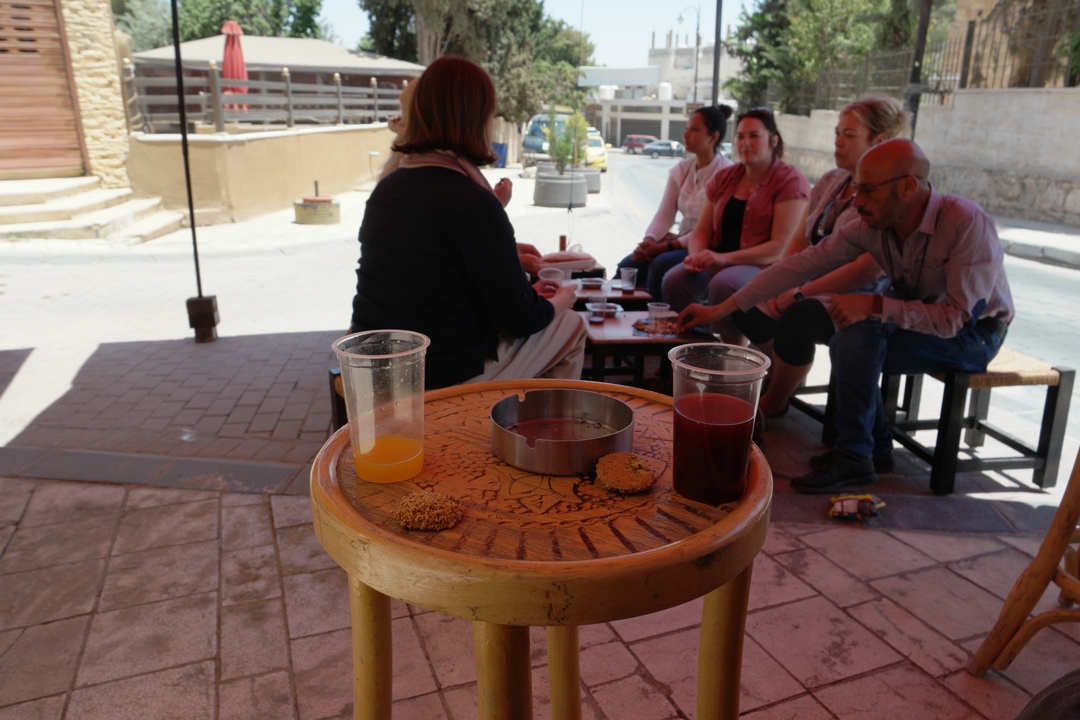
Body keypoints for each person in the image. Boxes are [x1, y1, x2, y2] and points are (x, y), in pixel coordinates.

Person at [677, 139, 1014, 493]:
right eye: (856, 190)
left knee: (855, 339)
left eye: (868, 191)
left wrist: (875, 306)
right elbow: (801, 264)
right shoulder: (873, 225)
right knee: (850, 338)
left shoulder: (965, 223)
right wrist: (720, 309)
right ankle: (872, 451)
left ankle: (856, 455)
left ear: (908, 186)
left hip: (975, 335)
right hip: (912, 321)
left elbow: (955, 319)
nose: (858, 202)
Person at [349, 56, 586, 390]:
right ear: (478, 118)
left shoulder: (387, 189)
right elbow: (520, 320)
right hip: (438, 377)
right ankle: (525, 433)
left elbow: (435, 272)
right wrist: (564, 296)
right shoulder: (472, 201)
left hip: (374, 368)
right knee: (572, 326)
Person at [731, 94, 909, 418]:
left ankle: (776, 399)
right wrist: (779, 283)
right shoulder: (832, 180)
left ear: (879, 141)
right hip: (812, 285)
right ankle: (787, 371)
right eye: (837, 133)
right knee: (747, 300)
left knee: (798, 315)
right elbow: (800, 240)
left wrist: (799, 292)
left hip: (858, 298)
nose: (838, 142)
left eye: (849, 135)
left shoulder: (889, 192)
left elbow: (865, 271)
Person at [661, 108, 810, 342]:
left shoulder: (789, 181)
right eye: (740, 136)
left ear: (773, 141)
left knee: (724, 284)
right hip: (719, 259)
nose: (745, 143)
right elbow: (701, 230)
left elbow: (780, 248)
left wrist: (723, 259)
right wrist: (697, 256)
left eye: (754, 136)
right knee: (675, 279)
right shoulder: (726, 177)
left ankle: (733, 358)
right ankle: (693, 349)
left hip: (765, 265)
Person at [616, 106, 733, 299]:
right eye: (687, 128)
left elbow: (709, 229)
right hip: (676, 242)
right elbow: (665, 213)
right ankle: (623, 318)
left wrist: (664, 247)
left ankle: (656, 321)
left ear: (713, 137)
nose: (686, 135)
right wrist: (648, 242)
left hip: (705, 247)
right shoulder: (682, 169)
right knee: (628, 265)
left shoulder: (726, 173)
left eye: (694, 129)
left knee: (660, 263)